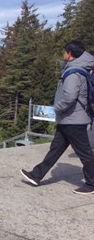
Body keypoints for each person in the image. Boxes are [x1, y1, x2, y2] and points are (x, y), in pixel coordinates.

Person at [21, 40, 94, 194]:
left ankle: (91, 184)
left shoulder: (74, 72)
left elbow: (69, 97)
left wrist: (57, 108)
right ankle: (36, 175)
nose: (63, 54)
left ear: (70, 54)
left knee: (85, 153)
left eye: (64, 52)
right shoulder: (80, 69)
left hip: (73, 120)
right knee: (55, 149)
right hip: (69, 119)